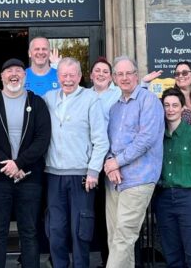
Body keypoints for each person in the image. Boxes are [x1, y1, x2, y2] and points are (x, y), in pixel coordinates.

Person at [0, 59, 51, 268]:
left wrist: (19, 164)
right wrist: (7, 165)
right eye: (8, 71)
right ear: (1, 77)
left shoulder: (37, 103)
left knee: (29, 231)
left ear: (25, 76)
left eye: (18, 70)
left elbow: (42, 139)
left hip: (29, 177)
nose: (14, 74)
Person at [43, 58, 109, 268]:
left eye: (73, 75)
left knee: (80, 230)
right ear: (58, 76)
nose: (68, 80)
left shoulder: (91, 99)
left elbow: (101, 140)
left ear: (80, 77)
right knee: (56, 230)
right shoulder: (48, 98)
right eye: (64, 75)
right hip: (54, 175)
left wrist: (93, 171)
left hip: (82, 176)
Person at [103, 56, 164, 268]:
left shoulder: (149, 101)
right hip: (114, 180)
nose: (124, 77)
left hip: (139, 178)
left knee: (124, 237)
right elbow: (108, 142)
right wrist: (111, 163)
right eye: (119, 74)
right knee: (115, 238)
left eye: (129, 73)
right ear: (114, 78)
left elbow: (146, 139)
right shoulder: (115, 107)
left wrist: (117, 162)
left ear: (136, 76)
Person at [153, 88, 191, 268]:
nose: (170, 109)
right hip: (163, 198)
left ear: (182, 108)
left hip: (189, 198)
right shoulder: (156, 136)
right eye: (166, 105)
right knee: (172, 254)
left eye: (174, 105)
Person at [87, 56, 117, 265]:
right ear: (90, 75)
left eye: (105, 71)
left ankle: (112, 260)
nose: (100, 74)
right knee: (95, 213)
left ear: (111, 76)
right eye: (97, 71)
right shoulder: (84, 95)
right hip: (90, 163)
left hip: (114, 162)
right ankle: (101, 257)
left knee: (114, 216)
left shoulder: (118, 95)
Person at [142, 61, 191, 130]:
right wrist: (144, 84)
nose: (180, 76)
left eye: (184, 73)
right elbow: (147, 110)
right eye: (177, 74)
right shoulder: (169, 99)